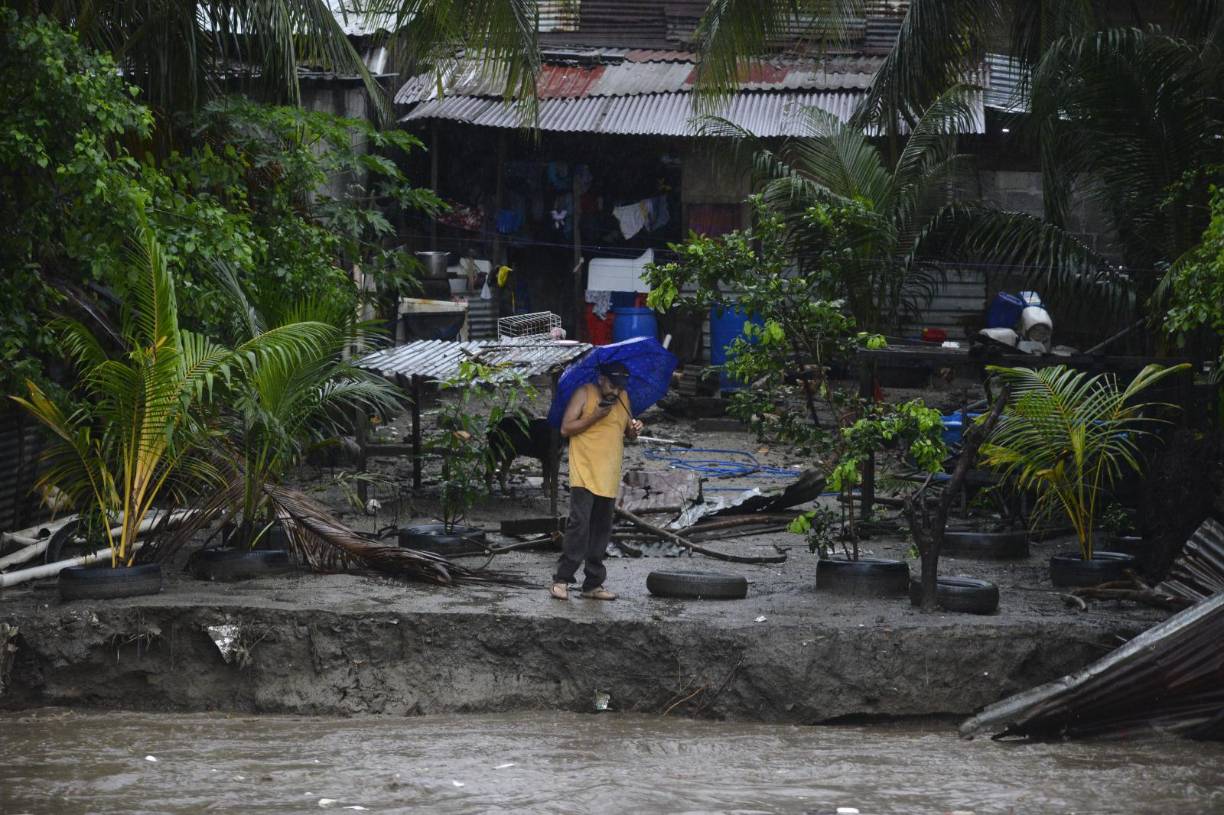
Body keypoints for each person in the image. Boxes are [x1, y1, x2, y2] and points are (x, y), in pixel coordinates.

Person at [550, 362, 642, 601]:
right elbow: (566, 428)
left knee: (601, 529)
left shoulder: (623, 398)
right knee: (579, 525)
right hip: (584, 470)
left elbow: (627, 433)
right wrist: (595, 416)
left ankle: (592, 584)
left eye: (620, 386)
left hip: (608, 472)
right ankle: (562, 580)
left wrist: (634, 429)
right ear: (601, 379)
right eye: (612, 385)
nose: (615, 390)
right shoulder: (584, 393)